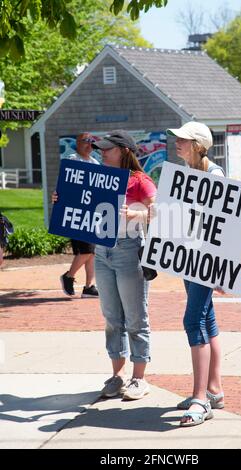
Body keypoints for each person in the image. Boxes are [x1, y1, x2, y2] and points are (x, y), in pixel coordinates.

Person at [166, 121, 225, 427]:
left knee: (193, 320)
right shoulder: (184, 175)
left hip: (203, 261)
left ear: (198, 145)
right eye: (177, 138)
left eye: (183, 139)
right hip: (186, 258)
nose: (177, 142)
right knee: (207, 319)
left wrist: (220, 270)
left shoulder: (214, 175)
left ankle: (200, 399)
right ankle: (213, 390)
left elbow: (222, 226)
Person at [91, 130, 156, 401]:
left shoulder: (140, 180)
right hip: (101, 250)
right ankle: (117, 376)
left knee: (135, 317)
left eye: (108, 149)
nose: (102, 152)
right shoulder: (97, 179)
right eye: (101, 148)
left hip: (129, 250)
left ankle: (139, 378)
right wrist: (64, 203)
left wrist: (136, 213)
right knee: (111, 317)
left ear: (124, 152)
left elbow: (159, 210)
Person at [52, 132, 99, 298]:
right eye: (85, 141)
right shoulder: (72, 160)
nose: (89, 144)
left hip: (91, 213)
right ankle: (68, 276)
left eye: (91, 141)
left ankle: (89, 287)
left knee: (92, 252)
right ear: (77, 143)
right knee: (86, 250)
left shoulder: (95, 162)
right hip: (75, 213)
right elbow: (64, 184)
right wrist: (57, 196)